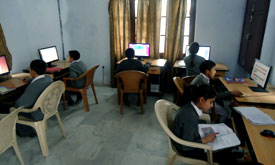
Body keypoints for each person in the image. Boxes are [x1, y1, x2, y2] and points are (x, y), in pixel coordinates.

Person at [173, 85, 241, 165]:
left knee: (226, 151)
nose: (212, 106)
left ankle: (232, 155)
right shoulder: (190, 116)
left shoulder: (190, 107)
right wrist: (204, 140)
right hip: (188, 150)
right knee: (225, 156)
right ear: (202, 99)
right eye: (211, 102)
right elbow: (185, 146)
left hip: (191, 140)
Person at [15, 59, 53, 137]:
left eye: (30, 69)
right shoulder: (48, 78)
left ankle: (26, 132)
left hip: (37, 113)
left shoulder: (34, 87)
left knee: (13, 108)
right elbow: (39, 80)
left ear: (33, 72)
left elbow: (20, 104)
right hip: (48, 108)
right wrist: (30, 80)